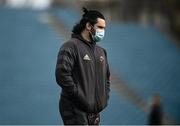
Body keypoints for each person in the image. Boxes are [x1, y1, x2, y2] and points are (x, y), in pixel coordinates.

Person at [55, 7, 110, 125]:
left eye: (104, 28)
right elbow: (62, 75)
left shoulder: (101, 52)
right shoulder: (70, 46)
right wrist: (79, 97)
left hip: (94, 113)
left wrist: (103, 100)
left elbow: (107, 80)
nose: (103, 31)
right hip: (75, 110)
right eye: (100, 27)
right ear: (89, 26)